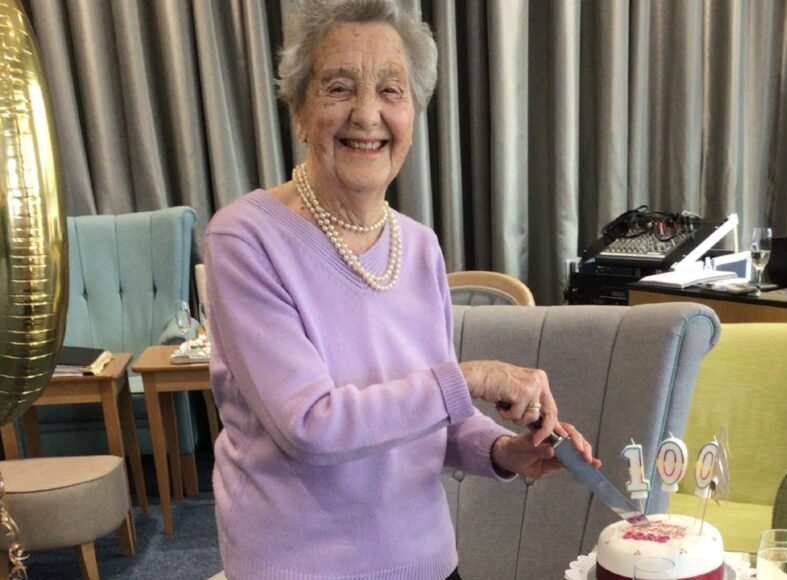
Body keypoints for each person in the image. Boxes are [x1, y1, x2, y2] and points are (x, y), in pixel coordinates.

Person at [203, 1, 600, 578]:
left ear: (412, 115)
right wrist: (471, 378)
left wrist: (506, 451)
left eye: (392, 91)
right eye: (339, 87)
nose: (367, 114)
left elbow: (433, 417)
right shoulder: (245, 238)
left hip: (428, 561)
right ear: (299, 112)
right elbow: (310, 427)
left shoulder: (418, 246)